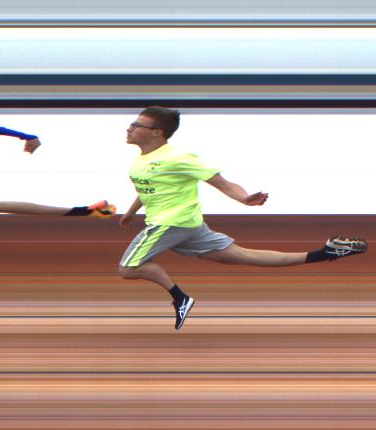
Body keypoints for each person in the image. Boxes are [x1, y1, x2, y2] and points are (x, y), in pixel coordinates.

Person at [117, 106, 368, 329]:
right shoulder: (141, 160)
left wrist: (244, 198)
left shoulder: (177, 158)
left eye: (137, 124)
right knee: (243, 256)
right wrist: (130, 212)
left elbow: (221, 182)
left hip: (170, 223)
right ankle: (325, 253)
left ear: (157, 132)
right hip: (186, 226)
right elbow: (148, 189)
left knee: (128, 268)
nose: (130, 128)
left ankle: (180, 298)